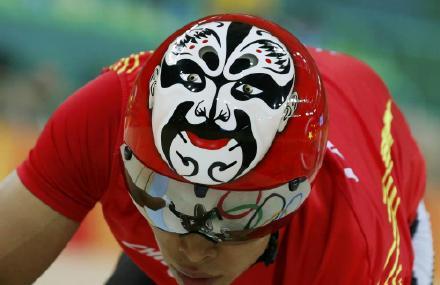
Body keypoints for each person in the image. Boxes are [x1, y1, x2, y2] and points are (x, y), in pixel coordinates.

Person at [0, 14, 433, 285]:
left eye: (239, 213)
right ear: (126, 153)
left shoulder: (349, 237)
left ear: (297, 194)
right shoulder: (106, 112)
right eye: (166, 198)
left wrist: (167, 210)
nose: (194, 251)